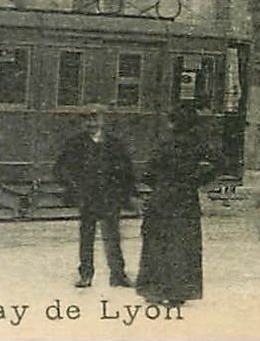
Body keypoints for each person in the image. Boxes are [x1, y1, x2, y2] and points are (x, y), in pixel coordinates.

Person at [136, 104, 217, 306]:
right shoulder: (199, 145)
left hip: (162, 199)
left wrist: (159, 184)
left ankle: (155, 289)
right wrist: (197, 180)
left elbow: (148, 174)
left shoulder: (165, 144)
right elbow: (219, 163)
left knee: (157, 245)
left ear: (173, 123)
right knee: (182, 246)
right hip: (186, 200)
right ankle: (178, 292)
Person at [54, 108, 136, 288]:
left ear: (102, 121)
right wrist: (73, 187)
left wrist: (124, 193)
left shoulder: (115, 144)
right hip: (87, 198)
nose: (91, 124)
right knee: (87, 237)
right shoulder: (75, 143)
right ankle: (86, 275)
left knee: (112, 237)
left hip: (109, 197)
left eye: (95, 119)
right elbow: (61, 169)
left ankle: (118, 275)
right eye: (87, 120)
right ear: (83, 123)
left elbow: (126, 170)